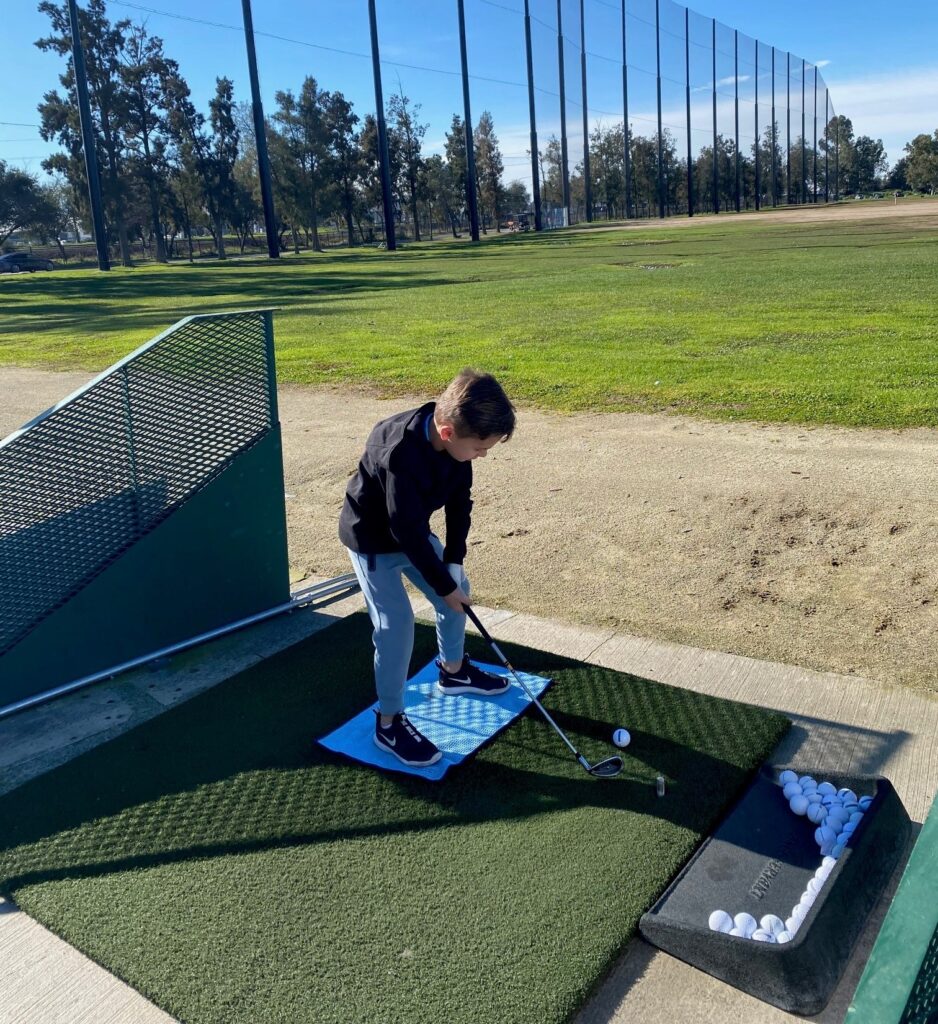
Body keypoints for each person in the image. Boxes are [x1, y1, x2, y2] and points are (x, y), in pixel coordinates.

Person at [339, 369, 516, 767]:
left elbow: (459, 504)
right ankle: (388, 722)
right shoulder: (399, 450)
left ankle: (452, 671)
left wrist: (453, 563)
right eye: (480, 448)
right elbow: (403, 529)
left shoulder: (454, 446)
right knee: (396, 623)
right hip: (372, 540)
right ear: (450, 433)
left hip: (412, 531)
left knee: (458, 588)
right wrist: (442, 584)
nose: (483, 455)